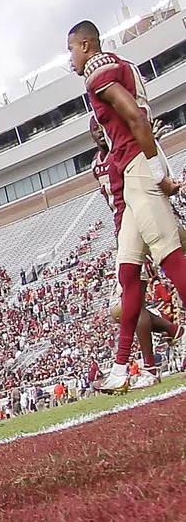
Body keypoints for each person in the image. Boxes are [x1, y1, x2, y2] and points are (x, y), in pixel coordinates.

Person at [70, 22, 186, 391]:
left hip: (138, 165)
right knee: (128, 273)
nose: (71, 59)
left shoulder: (97, 72)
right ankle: (124, 366)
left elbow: (136, 118)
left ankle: (135, 366)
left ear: (85, 46)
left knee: (169, 256)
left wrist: (155, 171)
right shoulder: (118, 63)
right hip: (136, 168)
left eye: (71, 50)